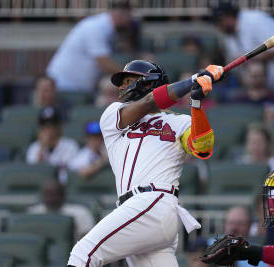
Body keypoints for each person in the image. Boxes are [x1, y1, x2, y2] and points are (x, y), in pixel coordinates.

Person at [67, 60, 225, 267]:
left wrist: (196, 104)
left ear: (149, 83)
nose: (122, 87)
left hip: (154, 201)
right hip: (136, 210)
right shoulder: (113, 114)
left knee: (83, 253)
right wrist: (192, 81)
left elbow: (202, 147)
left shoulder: (179, 122)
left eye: (129, 80)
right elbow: (150, 102)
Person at [213, 1, 274, 93]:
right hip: (269, 87)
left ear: (229, 16)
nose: (219, 26)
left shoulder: (255, 20)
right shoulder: (229, 35)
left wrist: (247, 59)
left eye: (220, 21)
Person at [46, 1, 136, 92]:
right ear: (120, 14)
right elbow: (104, 62)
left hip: (78, 88)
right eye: (128, 18)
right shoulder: (95, 28)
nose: (129, 23)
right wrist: (131, 76)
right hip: (63, 85)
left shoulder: (110, 29)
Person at [28, 180, 95, 241]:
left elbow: (88, 240)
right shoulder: (33, 213)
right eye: (46, 195)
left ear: (63, 196)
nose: (49, 199)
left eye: (53, 195)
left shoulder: (81, 213)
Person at [26, 106, 79, 183]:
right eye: (44, 126)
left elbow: (73, 174)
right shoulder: (34, 148)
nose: (48, 129)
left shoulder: (70, 146)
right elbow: (33, 174)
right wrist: (42, 148)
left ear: (59, 126)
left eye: (52, 125)